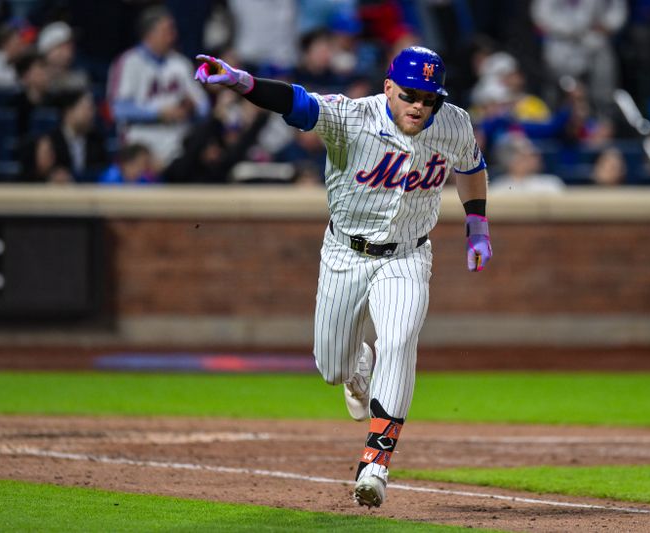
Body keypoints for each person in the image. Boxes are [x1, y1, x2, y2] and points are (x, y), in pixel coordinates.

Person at [194, 45, 492, 507]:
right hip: (345, 253)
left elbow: (472, 167)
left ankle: (376, 464)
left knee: (399, 339)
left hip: (407, 256)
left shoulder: (453, 123)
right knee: (331, 367)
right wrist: (240, 81)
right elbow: (296, 102)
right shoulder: (351, 117)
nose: (420, 105)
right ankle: (358, 371)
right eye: (410, 94)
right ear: (388, 87)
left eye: (429, 97)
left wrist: (477, 227)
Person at [107, 6, 209, 169]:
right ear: (149, 33)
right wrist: (158, 113)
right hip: (140, 142)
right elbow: (117, 109)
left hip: (177, 144)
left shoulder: (180, 63)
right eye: (166, 31)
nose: (173, 36)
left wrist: (191, 107)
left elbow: (204, 107)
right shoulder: (128, 62)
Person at [23, 89, 108, 183]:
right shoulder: (50, 141)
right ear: (69, 112)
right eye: (86, 109)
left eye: (92, 109)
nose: (91, 114)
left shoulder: (97, 140)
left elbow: (101, 172)